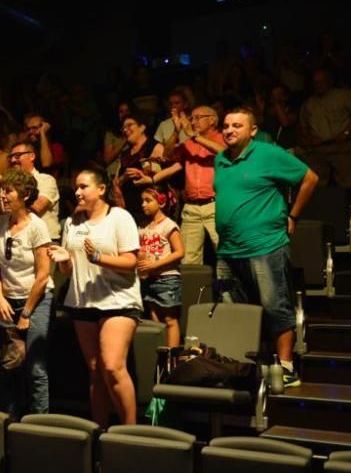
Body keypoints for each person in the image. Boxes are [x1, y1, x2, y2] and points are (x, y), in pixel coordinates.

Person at [215, 108, 319, 387]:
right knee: (234, 311)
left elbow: (310, 178)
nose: (229, 130)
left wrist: (293, 215)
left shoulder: (267, 153)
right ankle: (243, 367)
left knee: (274, 306)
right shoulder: (220, 159)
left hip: (266, 244)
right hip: (228, 250)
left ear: (252, 130)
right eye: (225, 125)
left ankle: (286, 367)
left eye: (237, 125)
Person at [49, 168, 141, 427]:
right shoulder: (72, 222)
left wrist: (99, 258)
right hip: (82, 301)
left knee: (112, 366)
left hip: (118, 300)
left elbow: (132, 261)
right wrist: (64, 261)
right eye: (76, 187)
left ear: (101, 189)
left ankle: (131, 432)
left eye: (83, 186)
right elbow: (67, 268)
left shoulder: (119, 217)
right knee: (96, 372)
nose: (77, 192)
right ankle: (101, 433)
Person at [0, 169, 53, 418]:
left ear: (25, 195)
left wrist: (26, 312)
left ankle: (39, 425)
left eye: (9, 191)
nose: (3, 196)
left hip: (35, 301)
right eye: (2, 190)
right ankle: (10, 421)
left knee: (35, 368)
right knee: (4, 366)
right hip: (8, 300)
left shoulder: (37, 227)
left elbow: (43, 274)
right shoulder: (0, 223)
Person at [136, 106, 225, 264]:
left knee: (224, 254)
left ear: (212, 120)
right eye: (192, 118)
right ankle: (194, 289)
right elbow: (168, 157)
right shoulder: (189, 143)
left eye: (198, 117)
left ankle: (228, 289)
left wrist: (195, 136)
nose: (193, 121)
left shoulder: (221, 138)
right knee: (188, 259)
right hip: (191, 208)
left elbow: (224, 153)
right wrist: (177, 132)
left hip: (215, 205)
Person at [137, 188, 184, 348]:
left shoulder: (169, 225)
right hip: (149, 279)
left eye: (148, 200)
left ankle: (171, 357)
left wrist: (155, 264)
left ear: (161, 202)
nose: (144, 204)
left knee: (170, 320)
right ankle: (159, 356)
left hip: (167, 278)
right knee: (154, 320)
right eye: (142, 200)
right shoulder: (142, 226)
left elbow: (180, 252)